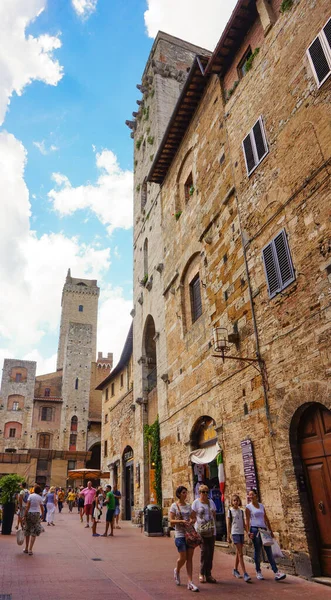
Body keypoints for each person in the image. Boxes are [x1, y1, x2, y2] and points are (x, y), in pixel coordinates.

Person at [246, 488, 286, 581]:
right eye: (249, 495)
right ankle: (258, 571)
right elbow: (247, 520)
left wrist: (270, 530)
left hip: (264, 529)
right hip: (255, 529)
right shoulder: (248, 507)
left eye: (252, 494)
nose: (250, 496)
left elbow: (266, 518)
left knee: (268, 550)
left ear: (256, 495)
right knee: (257, 550)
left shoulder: (261, 506)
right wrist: (248, 532)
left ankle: (276, 572)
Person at [169, 485, 199, 592]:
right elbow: (171, 521)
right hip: (180, 534)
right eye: (183, 493)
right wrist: (181, 521)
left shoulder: (188, 506)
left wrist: (192, 520)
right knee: (183, 557)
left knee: (189, 558)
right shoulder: (174, 506)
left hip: (189, 534)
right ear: (179, 494)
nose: (185, 495)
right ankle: (177, 570)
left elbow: (193, 517)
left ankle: (190, 582)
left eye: (186, 492)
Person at [191, 484, 217, 584]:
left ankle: (208, 574)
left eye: (206, 492)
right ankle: (201, 573)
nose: (205, 494)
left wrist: (212, 526)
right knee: (204, 551)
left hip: (211, 530)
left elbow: (214, 515)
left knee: (210, 553)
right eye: (203, 492)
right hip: (200, 531)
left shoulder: (211, 502)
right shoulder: (196, 503)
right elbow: (193, 517)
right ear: (199, 492)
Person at [227, 494, 251, 582]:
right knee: (241, 553)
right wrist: (228, 535)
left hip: (241, 533)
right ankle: (245, 573)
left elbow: (244, 524)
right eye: (234, 501)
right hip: (235, 533)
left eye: (237, 500)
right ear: (232, 502)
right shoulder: (230, 511)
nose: (236, 502)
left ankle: (235, 569)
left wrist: (248, 532)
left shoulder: (241, 511)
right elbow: (228, 524)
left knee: (238, 552)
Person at [22, 484, 44, 555]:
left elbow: (27, 506)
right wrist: (43, 514)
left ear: (34, 490)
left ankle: (26, 548)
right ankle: (30, 549)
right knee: (34, 531)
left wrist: (24, 515)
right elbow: (41, 507)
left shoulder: (30, 496)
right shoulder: (40, 497)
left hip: (29, 513)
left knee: (27, 530)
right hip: (36, 513)